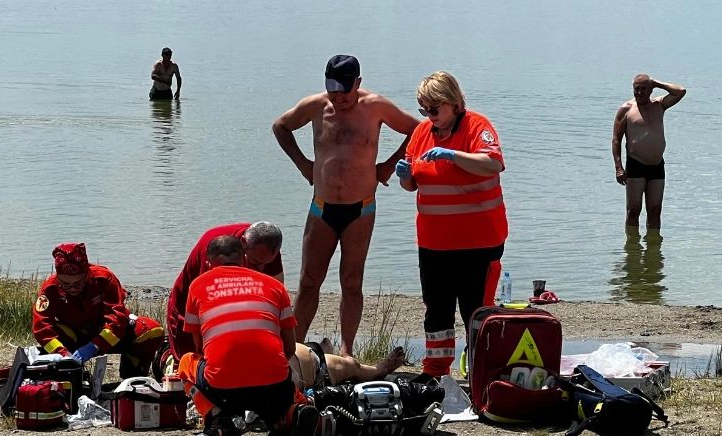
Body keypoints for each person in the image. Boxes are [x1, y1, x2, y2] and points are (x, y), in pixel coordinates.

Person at [272, 54, 419, 357]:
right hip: (322, 207)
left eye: (344, 91)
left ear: (358, 83)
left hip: (360, 209)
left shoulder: (375, 106)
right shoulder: (315, 106)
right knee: (309, 280)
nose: (338, 98)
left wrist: (388, 166)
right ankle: (293, 348)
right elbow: (280, 126)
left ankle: (346, 351)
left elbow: (417, 131)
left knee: (351, 282)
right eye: (332, 90)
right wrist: (303, 164)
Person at [394, 71, 507, 379]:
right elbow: (412, 185)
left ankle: (483, 371)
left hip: (478, 241)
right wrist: (405, 175)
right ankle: (435, 371)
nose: (429, 116)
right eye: (423, 109)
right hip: (433, 242)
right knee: (437, 307)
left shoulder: (476, 126)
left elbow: (493, 163)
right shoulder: (421, 133)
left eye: (434, 109)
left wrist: (453, 155)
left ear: (454, 103)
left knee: (475, 309)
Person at [176, 236, 318, 436]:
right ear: (243, 258)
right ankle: (290, 414)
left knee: (187, 362)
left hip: (223, 389)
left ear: (208, 263)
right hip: (273, 386)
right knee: (279, 390)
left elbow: (199, 348)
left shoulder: (198, 286)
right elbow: (289, 346)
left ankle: (218, 418)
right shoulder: (273, 285)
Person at [32, 243, 164, 378]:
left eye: (77, 283)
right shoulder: (50, 288)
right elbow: (41, 327)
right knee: (57, 331)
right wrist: (61, 353)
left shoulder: (104, 279)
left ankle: (132, 376)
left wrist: (94, 346)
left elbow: (117, 319)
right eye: (65, 284)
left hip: (107, 334)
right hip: (74, 336)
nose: (72, 288)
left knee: (152, 330)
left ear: (86, 273)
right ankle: (71, 374)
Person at [165, 221, 283, 360]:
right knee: (191, 363)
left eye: (266, 264)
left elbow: (277, 298)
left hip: (228, 306)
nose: (261, 269)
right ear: (243, 243)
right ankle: (164, 356)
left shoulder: (265, 248)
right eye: (255, 263)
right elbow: (207, 307)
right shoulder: (215, 251)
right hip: (186, 313)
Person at [612, 74, 686, 230]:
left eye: (643, 89)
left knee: (655, 210)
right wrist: (618, 167)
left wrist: (657, 83)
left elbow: (680, 91)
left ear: (650, 89)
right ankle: (632, 251)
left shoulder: (659, 105)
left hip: (657, 166)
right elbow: (616, 140)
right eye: (636, 89)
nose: (639, 93)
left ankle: (653, 250)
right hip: (636, 164)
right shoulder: (626, 109)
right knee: (633, 211)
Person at [290, 339, 405, 395]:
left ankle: (325, 349)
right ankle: (380, 370)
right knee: (353, 366)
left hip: (305, 353)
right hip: (318, 367)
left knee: (321, 346)